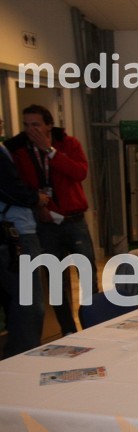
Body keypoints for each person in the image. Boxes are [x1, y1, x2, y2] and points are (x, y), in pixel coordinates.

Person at [5, 104, 97, 336]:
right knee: (56, 281)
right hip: (46, 223)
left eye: (36, 125)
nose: (30, 130)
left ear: (48, 125)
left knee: (87, 275)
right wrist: (37, 207)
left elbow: (80, 172)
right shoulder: (19, 150)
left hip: (74, 220)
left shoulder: (68, 144)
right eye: (26, 125)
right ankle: (68, 331)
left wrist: (50, 151)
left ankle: (94, 326)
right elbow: (21, 185)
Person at [0, 123, 45, 358]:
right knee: (29, 306)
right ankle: (22, 360)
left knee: (20, 304)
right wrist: (35, 198)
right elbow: (11, 189)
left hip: (15, 235)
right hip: (15, 237)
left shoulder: (7, 148)